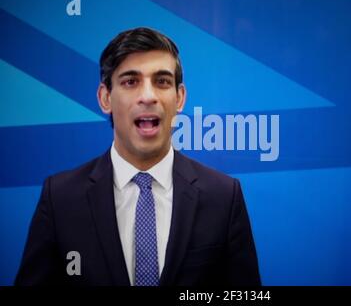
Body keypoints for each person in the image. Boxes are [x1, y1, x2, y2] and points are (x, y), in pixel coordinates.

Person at [15, 27, 261, 286]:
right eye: (131, 82)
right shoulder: (60, 198)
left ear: (179, 98)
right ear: (105, 97)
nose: (148, 96)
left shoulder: (223, 196)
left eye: (162, 81)